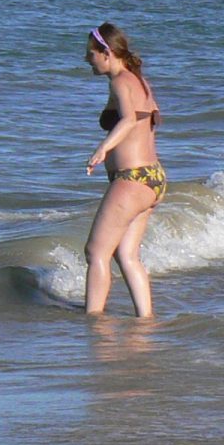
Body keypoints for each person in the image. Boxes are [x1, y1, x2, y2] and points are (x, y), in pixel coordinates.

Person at [83, 23, 164, 318]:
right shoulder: (139, 81)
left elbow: (129, 119)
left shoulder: (120, 82)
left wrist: (103, 149)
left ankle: (93, 322)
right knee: (126, 255)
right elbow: (147, 121)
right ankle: (146, 320)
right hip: (152, 178)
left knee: (95, 252)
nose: (86, 59)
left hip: (132, 179)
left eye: (90, 53)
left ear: (106, 53)